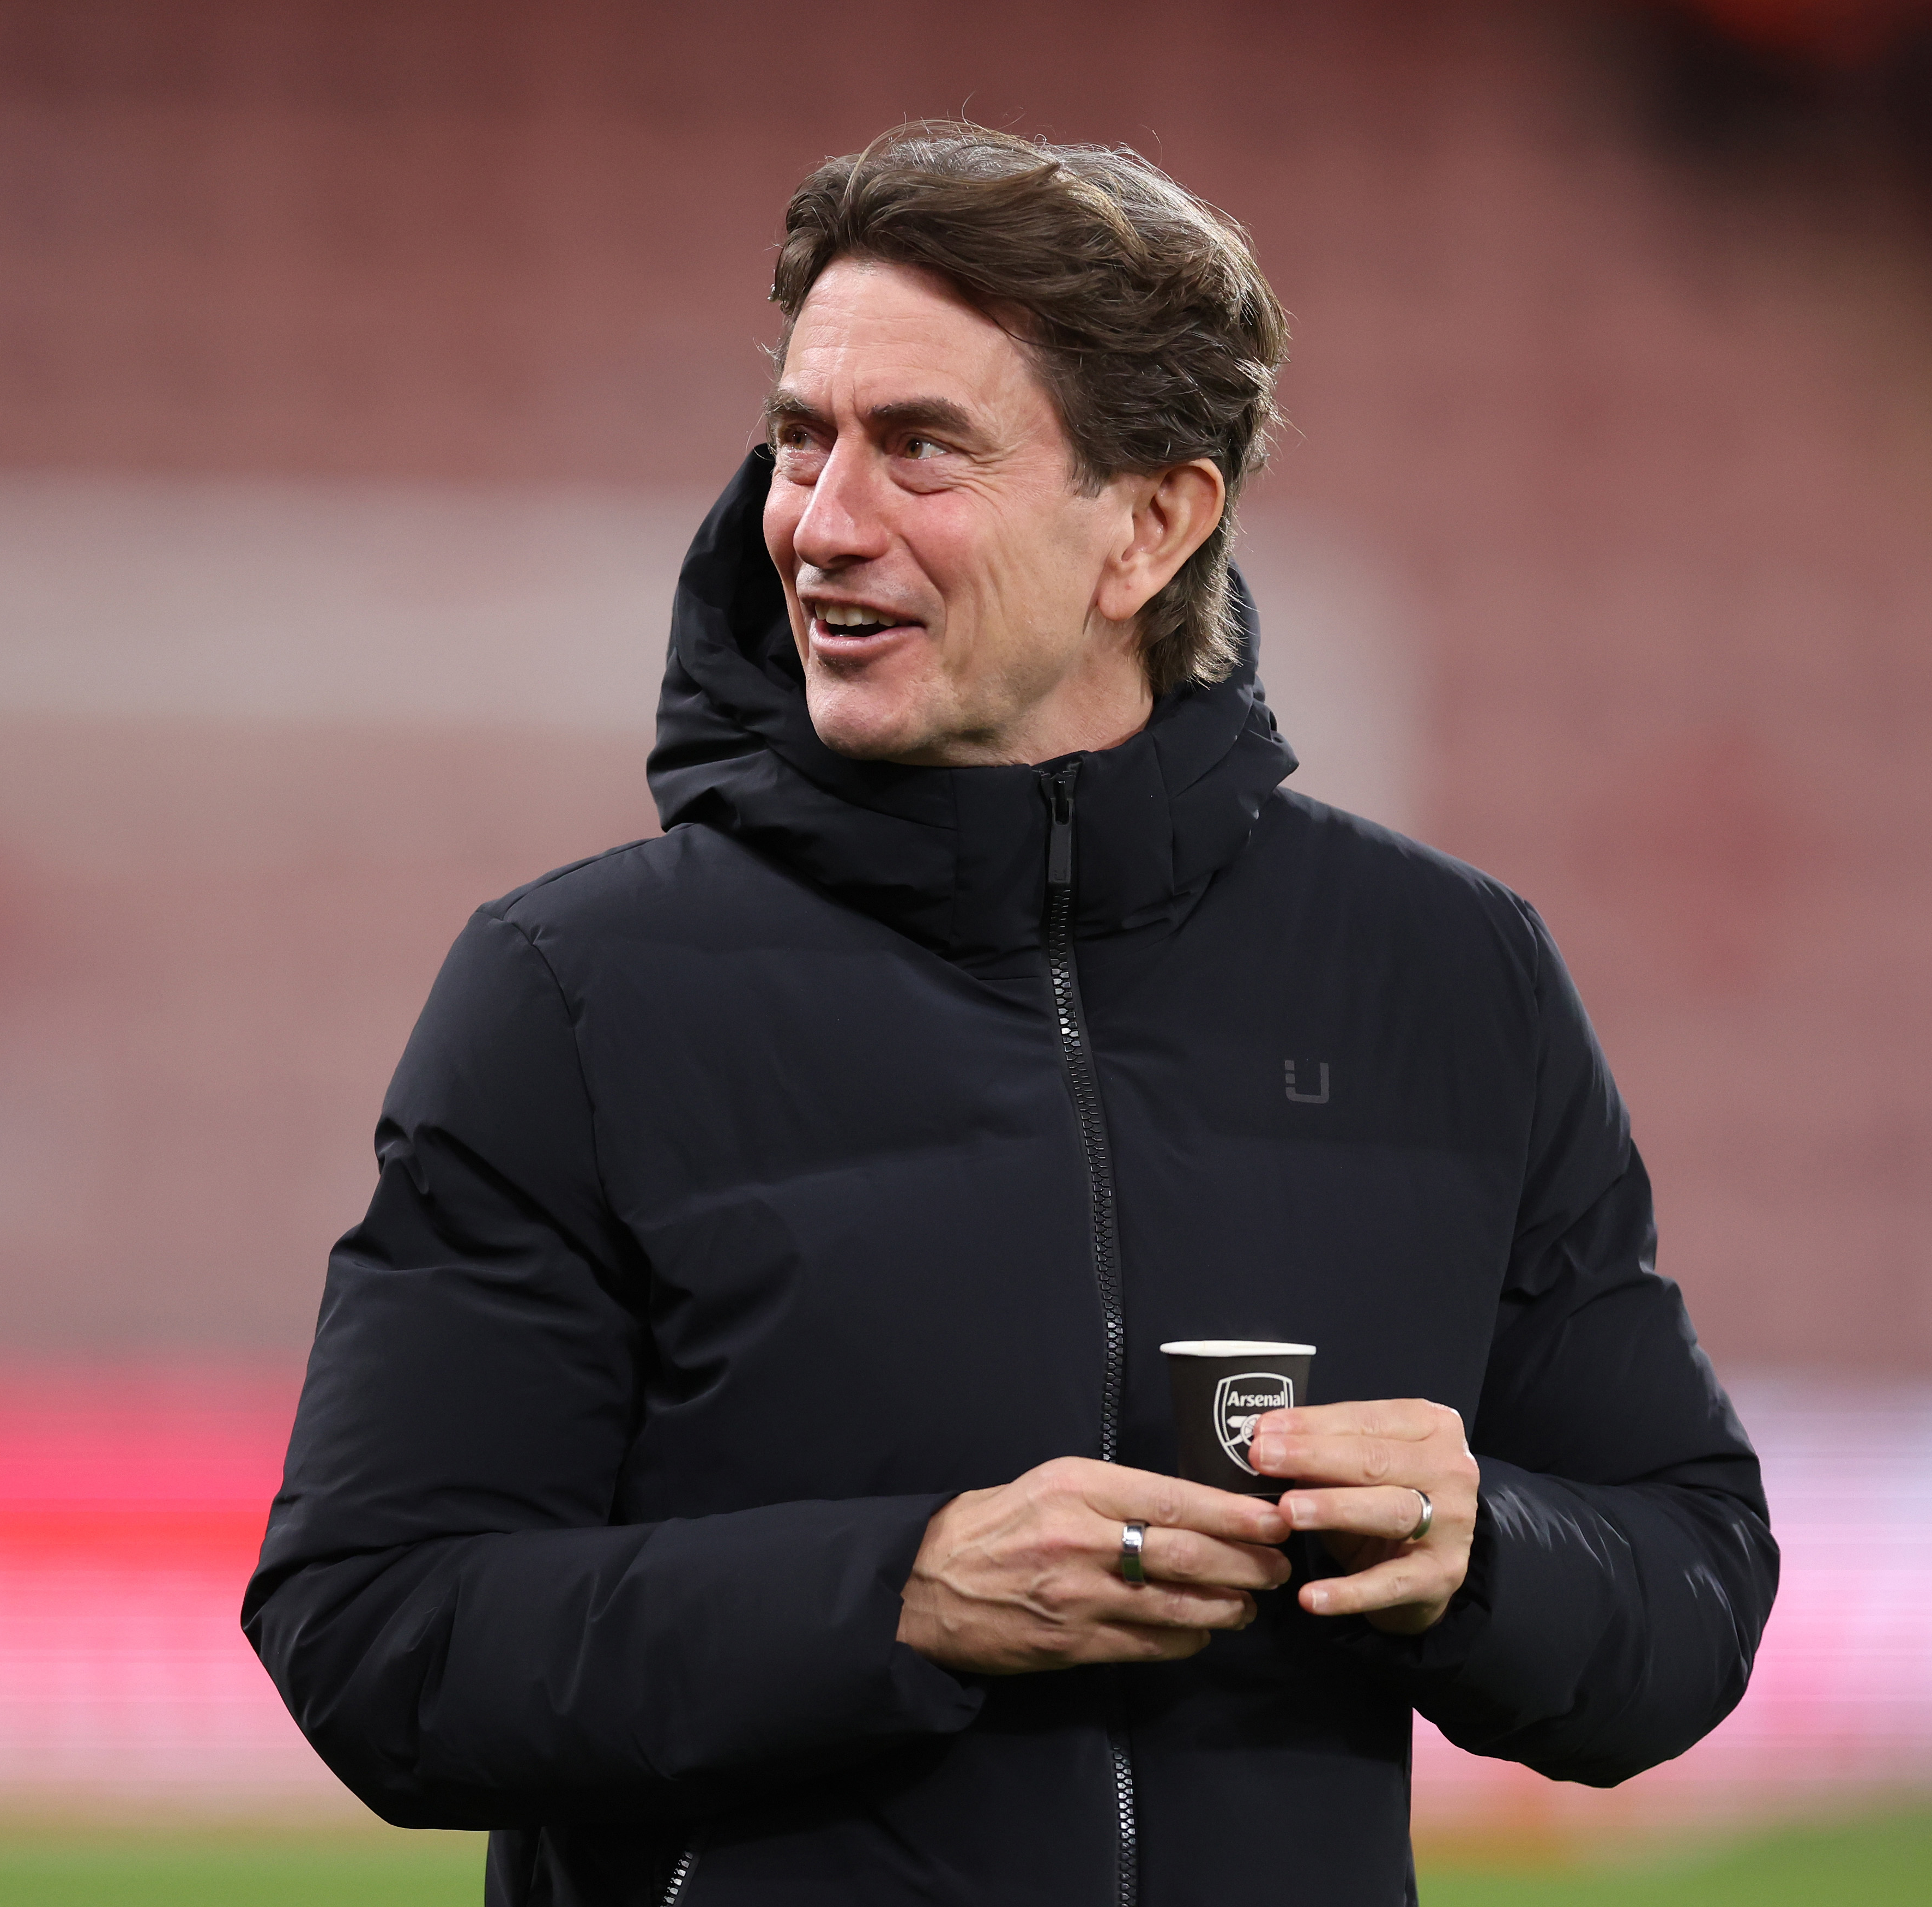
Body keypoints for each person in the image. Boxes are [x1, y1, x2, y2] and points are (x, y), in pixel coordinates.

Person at [245, 122, 1776, 1907]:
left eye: (921, 451)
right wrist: (905, 1590)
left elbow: (1693, 1575)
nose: (821, 523)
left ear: (1148, 526)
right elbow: (375, 1629)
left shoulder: (1448, 975)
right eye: (801, 441)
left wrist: (1481, 1545)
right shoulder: (578, 993)